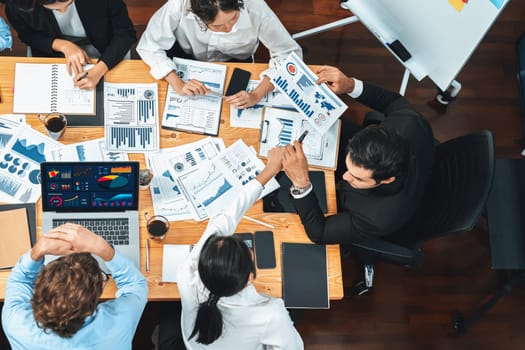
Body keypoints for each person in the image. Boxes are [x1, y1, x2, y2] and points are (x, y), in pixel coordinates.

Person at [155, 147, 303, 350]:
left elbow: (224, 219)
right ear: (250, 277)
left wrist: (269, 170)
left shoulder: (187, 272)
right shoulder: (271, 314)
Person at [281, 65, 435, 245]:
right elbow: (393, 102)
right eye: (348, 167)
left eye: (358, 178)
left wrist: (301, 183)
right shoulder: (409, 122)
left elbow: (320, 233)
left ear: (387, 180)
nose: (345, 177)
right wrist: (349, 85)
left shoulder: (375, 218)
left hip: (368, 205)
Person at [1, 223, 148, 349]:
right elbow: (135, 284)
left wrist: (39, 249)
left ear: (39, 291)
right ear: (95, 302)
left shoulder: (17, 323)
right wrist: (103, 249)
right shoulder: (119, 323)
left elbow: (20, 281)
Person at [136, 0, 302, 109]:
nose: (229, 28)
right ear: (198, 17)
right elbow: (149, 45)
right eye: (218, 26)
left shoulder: (255, 6)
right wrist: (177, 83)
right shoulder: (180, 3)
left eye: (234, 18)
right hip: (185, 54)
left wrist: (256, 95)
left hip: (237, 61)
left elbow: (288, 55)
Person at [5, 0, 136, 89]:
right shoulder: (17, 5)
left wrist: (98, 70)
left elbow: (126, 33)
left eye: (69, 3)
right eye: (55, 8)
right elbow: (27, 35)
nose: (63, 11)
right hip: (51, 49)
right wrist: (63, 46)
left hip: (104, 45)